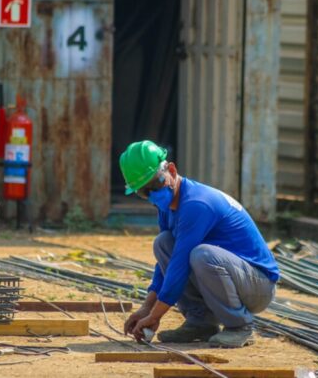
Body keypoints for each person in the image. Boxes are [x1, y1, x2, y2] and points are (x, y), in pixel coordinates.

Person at [119, 140, 280, 348]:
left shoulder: (196, 204)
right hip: (235, 277)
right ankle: (201, 322)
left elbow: (179, 266)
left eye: (156, 184)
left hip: (258, 285)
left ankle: (240, 326)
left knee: (202, 255)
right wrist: (147, 309)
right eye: (144, 192)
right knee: (163, 243)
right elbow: (166, 264)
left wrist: (155, 316)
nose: (153, 194)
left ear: (172, 170)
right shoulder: (168, 207)